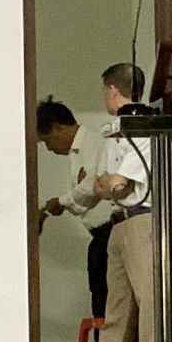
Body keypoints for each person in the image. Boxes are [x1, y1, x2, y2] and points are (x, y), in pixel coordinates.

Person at [72, 62, 154, 342]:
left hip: (142, 219)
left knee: (149, 303)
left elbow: (117, 183)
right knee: (115, 309)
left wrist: (109, 183)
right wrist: (108, 184)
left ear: (112, 89)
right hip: (118, 222)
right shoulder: (113, 131)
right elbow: (101, 184)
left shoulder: (145, 128)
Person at [36, 96, 125, 320]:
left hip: (110, 232)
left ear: (58, 127)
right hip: (100, 234)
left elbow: (92, 186)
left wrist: (60, 202)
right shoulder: (79, 151)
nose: (49, 148)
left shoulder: (94, 144)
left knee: (105, 300)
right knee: (99, 296)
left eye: (47, 141)